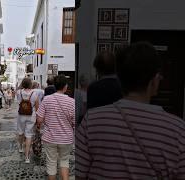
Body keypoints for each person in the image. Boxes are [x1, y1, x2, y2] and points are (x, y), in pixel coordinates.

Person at [76, 42, 185, 179]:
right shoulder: (178, 131)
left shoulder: (90, 121)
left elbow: (79, 173)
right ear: (154, 80)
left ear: (120, 78)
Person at [36, 75, 75, 180]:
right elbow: (75, 123)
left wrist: (47, 120)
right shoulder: (72, 102)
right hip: (66, 139)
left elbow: (39, 120)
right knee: (64, 161)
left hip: (50, 138)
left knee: (51, 163)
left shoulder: (47, 99)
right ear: (65, 87)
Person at [17, 78, 39, 163]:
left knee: (21, 132)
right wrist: (37, 118)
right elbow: (37, 107)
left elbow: (18, 89)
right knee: (29, 135)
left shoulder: (19, 92)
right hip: (31, 116)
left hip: (21, 115)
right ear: (30, 84)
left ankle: (20, 147)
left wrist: (21, 85)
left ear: (22, 84)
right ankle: (27, 157)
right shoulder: (35, 93)